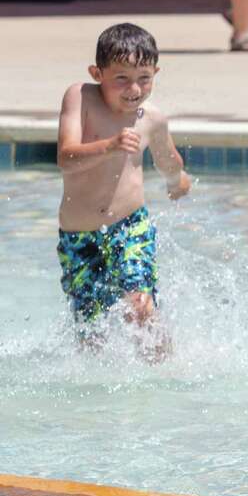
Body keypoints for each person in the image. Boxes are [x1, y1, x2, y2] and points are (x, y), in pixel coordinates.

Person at [55, 24, 191, 352]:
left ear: (156, 72)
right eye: (121, 78)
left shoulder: (152, 119)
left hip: (131, 226)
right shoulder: (81, 97)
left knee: (140, 307)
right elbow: (65, 157)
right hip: (79, 236)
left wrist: (176, 181)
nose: (134, 88)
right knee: (91, 333)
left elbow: (168, 159)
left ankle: (166, 374)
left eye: (144, 77)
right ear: (97, 73)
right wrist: (110, 146)